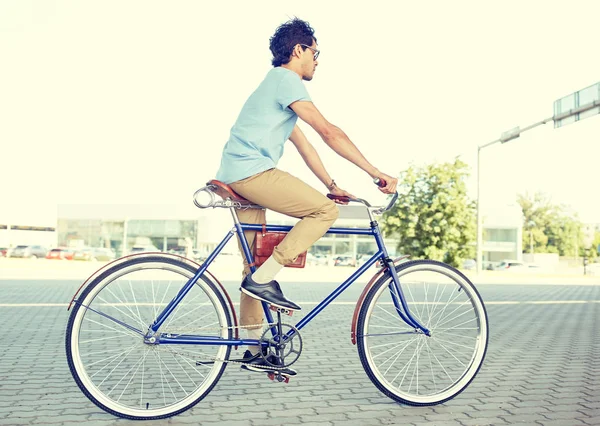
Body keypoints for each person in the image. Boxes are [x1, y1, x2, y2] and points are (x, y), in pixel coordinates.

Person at [214, 18, 398, 374]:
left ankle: (253, 348)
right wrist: (377, 173)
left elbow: (305, 145)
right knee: (324, 213)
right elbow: (329, 132)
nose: (317, 60)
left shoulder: (274, 89)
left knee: (253, 264)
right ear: (298, 50)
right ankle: (265, 279)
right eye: (315, 52)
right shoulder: (286, 80)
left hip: (235, 175)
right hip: (251, 173)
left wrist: (331, 182)